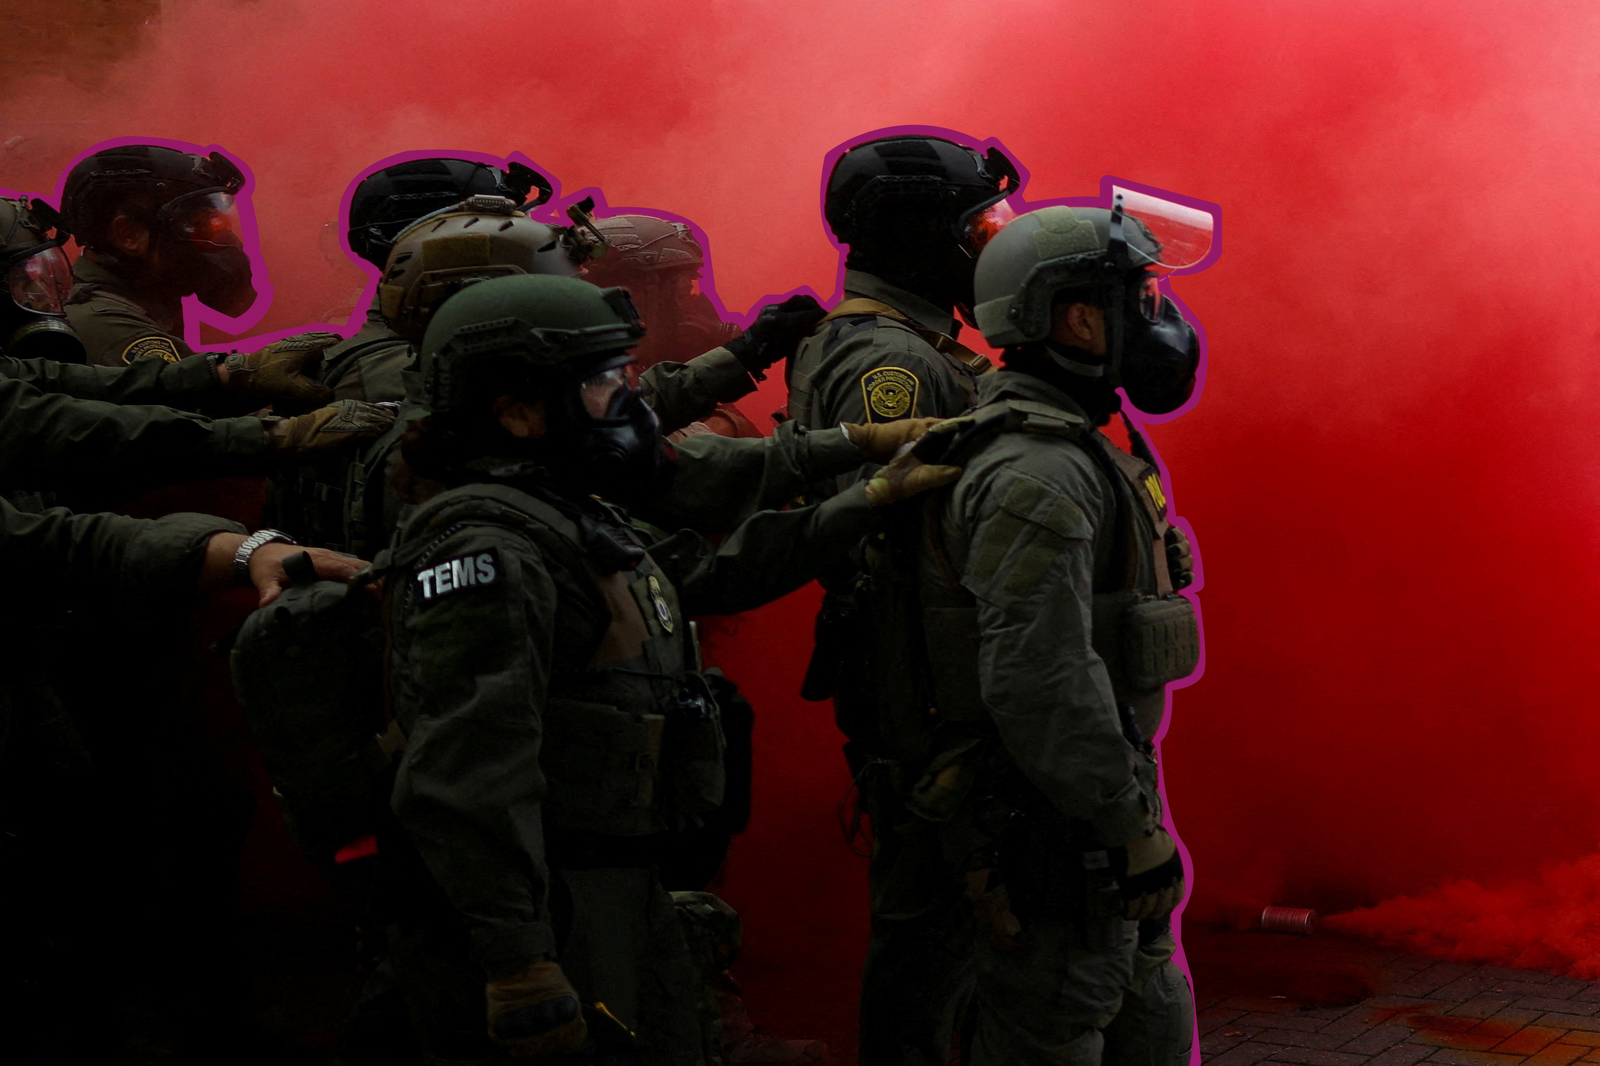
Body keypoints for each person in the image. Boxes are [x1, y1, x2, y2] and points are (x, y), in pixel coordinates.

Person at [379, 272, 959, 1064]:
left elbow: (714, 570)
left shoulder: (562, 507)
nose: (627, 404)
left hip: (616, 883)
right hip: (555, 904)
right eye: (601, 381)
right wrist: (520, 963)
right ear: (515, 410)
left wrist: (873, 489)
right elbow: (469, 777)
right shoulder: (491, 550)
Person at [843, 197, 1209, 1066]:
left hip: (1093, 806)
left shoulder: (1073, 445)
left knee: (1151, 1018)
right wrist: (1125, 825)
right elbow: (1039, 677)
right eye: (1139, 296)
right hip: (1055, 824)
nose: (1158, 316)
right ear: (1078, 318)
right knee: (1055, 1026)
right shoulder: (1034, 473)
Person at [58, 143, 264, 367]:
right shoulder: (112, 331)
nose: (217, 243)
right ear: (129, 235)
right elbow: (201, 399)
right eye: (196, 225)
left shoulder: (146, 300)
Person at [580, 213, 758, 438]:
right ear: (628, 296)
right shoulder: (589, 381)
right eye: (683, 293)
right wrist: (726, 427)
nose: (694, 312)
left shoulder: (624, 370)